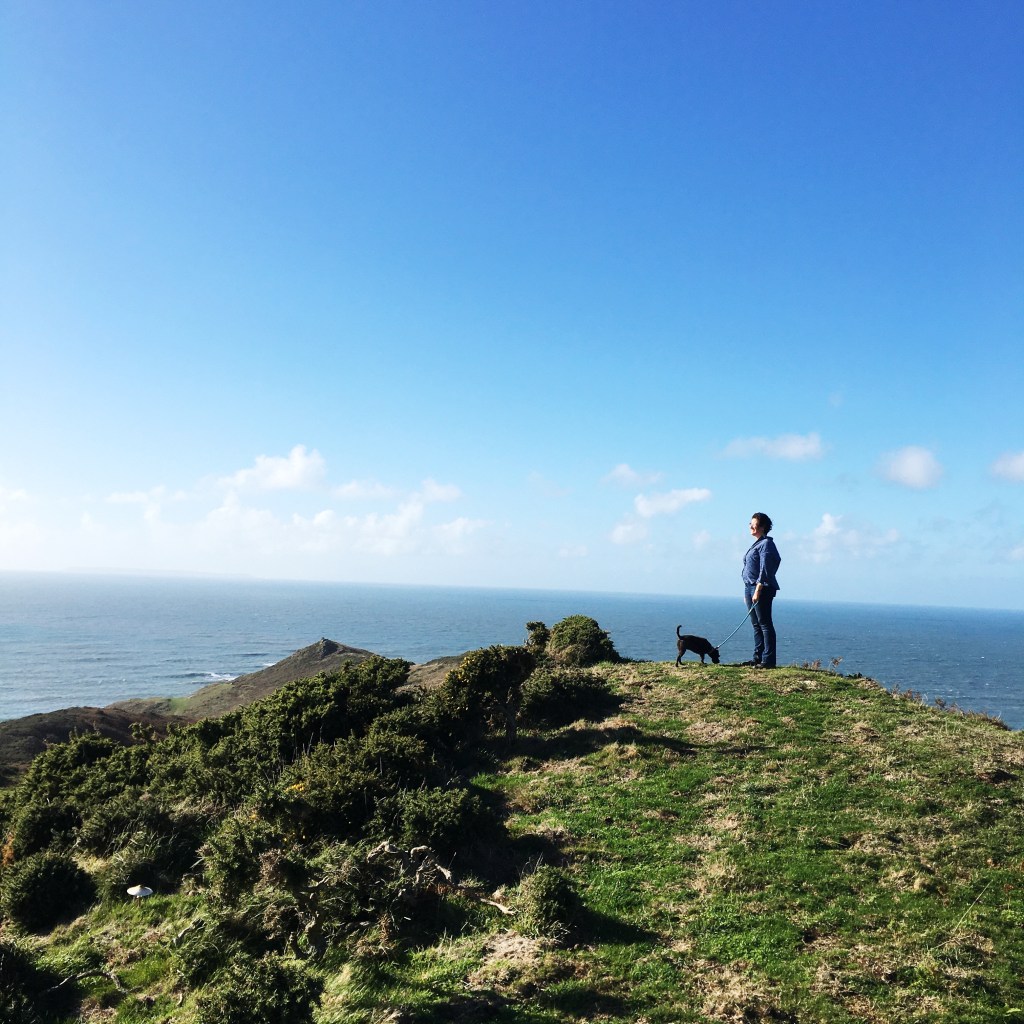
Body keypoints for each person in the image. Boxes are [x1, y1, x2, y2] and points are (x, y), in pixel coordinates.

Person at [742, 513, 781, 668]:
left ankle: (768, 660)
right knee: (756, 624)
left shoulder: (766, 544)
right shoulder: (758, 544)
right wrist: (749, 591)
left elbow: (766, 567)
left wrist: (758, 588)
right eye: (750, 523)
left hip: (761, 587)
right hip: (750, 587)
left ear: (762, 526)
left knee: (765, 624)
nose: (751, 526)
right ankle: (758, 658)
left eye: (754, 524)